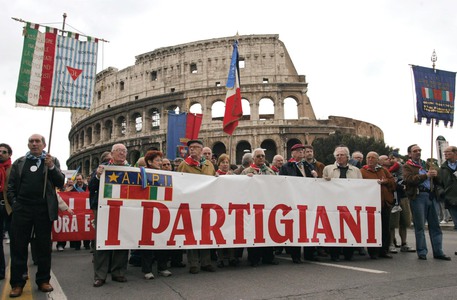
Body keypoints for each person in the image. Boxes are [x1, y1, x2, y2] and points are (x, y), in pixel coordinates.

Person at [7, 134, 65, 297]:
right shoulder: (20, 162)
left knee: (43, 247)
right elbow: (10, 187)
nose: (34, 144)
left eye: (37, 141)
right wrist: (16, 204)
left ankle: (43, 280)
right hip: (22, 209)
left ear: (44, 144)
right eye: (31, 141)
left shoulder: (51, 160)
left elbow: (60, 182)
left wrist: (52, 167)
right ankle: (17, 283)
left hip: (43, 209)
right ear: (28, 144)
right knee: (18, 246)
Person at [91, 144, 131, 287]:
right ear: (112, 153)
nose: (122, 153)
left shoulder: (132, 170)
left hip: (124, 209)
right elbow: (91, 187)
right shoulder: (102, 168)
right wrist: (97, 176)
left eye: (124, 151)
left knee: (122, 239)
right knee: (102, 241)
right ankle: (100, 275)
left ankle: (118, 272)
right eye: (118, 151)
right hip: (104, 209)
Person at [403, 144, 450, 261]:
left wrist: (436, 175)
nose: (418, 152)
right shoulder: (407, 166)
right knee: (420, 226)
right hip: (418, 196)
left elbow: (439, 181)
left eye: (419, 150)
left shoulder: (427, 164)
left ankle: (438, 251)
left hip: (431, 195)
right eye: (415, 151)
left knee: (435, 225)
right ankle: (422, 251)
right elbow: (408, 180)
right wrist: (425, 175)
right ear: (410, 154)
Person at [177, 139, 217, 274]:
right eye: (190, 148)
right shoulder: (184, 165)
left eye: (195, 147)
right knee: (192, 234)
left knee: (205, 232)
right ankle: (193, 263)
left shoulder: (208, 164)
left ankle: (206, 262)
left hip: (206, 204)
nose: (192, 150)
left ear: (201, 150)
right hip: (191, 204)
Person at [280, 144, 318, 263]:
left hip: (307, 200)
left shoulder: (308, 165)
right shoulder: (286, 167)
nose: (301, 152)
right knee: (295, 228)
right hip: (293, 201)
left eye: (302, 151)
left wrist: (315, 176)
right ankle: (295, 255)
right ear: (293, 153)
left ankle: (309, 253)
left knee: (308, 227)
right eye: (298, 151)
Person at [323, 146, 362, 261]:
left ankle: (348, 253)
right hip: (333, 205)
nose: (339, 157)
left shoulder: (356, 171)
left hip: (350, 204)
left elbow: (361, 187)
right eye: (337, 155)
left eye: (342, 155)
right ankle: (334, 254)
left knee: (348, 229)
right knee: (334, 229)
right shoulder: (328, 169)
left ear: (347, 157)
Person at [242, 148, 278, 267]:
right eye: (258, 156)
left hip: (267, 206)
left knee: (267, 231)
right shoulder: (246, 172)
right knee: (254, 233)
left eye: (263, 156)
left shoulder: (270, 172)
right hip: (253, 207)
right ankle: (254, 258)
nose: (261, 158)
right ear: (253, 159)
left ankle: (268, 257)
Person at [140, 150, 173, 279]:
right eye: (158, 161)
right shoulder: (142, 174)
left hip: (162, 209)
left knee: (162, 239)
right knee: (147, 241)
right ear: (149, 162)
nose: (160, 163)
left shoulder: (164, 174)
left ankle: (162, 267)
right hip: (147, 210)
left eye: (161, 160)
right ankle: (147, 269)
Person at [360, 152, 396, 259]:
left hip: (385, 203)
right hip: (371, 205)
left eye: (373, 158)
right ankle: (373, 251)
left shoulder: (383, 171)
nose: (370, 159)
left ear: (377, 160)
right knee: (372, 229)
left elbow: (393, 183)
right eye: (368, 157)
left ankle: (384, 250)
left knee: (385, 228)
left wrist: (386, 182)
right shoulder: (362, 171)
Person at [214, 154, 238, 267]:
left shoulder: (233, 175)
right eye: (223, 162)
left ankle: (232, 257)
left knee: (231, 232)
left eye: (227, 162)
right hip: (219, 208)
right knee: (220, 234)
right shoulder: (215, 175)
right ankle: (220, 258)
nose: (225, 164)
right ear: (219, 164)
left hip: (230, 208)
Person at [437, 146, 457, 255]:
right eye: (444, 153)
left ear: (455, 153)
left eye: (448, 152)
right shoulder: (443, 169)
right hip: (451, 199)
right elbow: (439, 184)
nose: (445, 154)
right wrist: (442, 192)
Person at [0, 143, 13, 281]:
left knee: (15, 240)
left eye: (4, 151)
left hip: (9, 208)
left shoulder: (14, 169)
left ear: (9, 154)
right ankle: (0, 271)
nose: (1, 153)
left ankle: (19, 270)